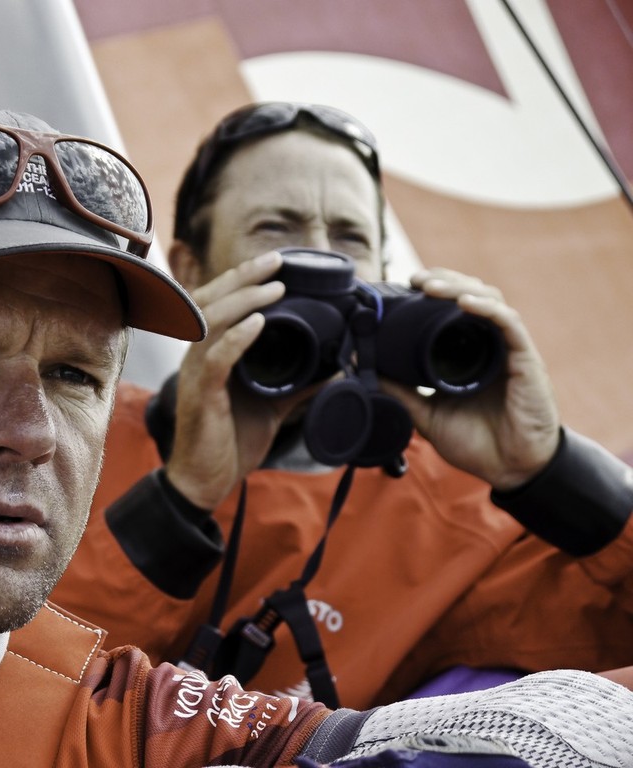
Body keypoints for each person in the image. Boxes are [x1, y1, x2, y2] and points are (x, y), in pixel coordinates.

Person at [0, 97, 631, 768]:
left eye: (71, 375)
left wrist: (551, 471)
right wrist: (180, 497)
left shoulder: (127, 714)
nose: (29, 432)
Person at [51, 101, 633, 709]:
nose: (327, 262)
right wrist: (180, 497)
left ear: (385, 273)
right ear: (192, 272)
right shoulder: (69, 431)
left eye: (351, 239)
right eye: (277, 228)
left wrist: (548, 470)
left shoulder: (451, 507)